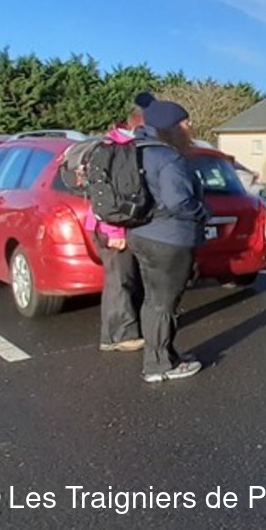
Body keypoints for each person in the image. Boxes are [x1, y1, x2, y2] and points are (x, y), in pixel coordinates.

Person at [129, 94, 208, 383]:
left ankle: (164, 354)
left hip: (141, 233)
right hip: (169, 239)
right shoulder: (169, 157)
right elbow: (178, 202)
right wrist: (202, 212)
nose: (190, 127)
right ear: (171, 126)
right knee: (164, 303)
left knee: (153, 301)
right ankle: (158, 364)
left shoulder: (138, 150)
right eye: (185, 122)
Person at [88, 101, 148, 353]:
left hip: (123, 224)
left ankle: (131, 328)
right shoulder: (112, 149)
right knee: (119, 281)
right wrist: (115, 231)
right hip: (112, 226)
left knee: (130, 279)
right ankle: (116, 336)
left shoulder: (124, 146)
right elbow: (103, 193)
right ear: (139, 123)